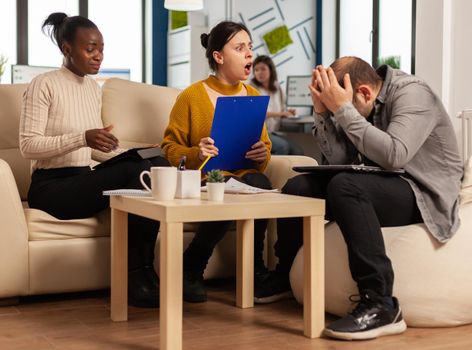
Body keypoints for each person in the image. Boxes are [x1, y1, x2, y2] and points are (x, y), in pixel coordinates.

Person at [256, 56, 464, 340]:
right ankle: (283, 276)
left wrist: (341, 109)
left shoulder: (413, 94)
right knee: (299, 187)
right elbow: (340, 157)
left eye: (347, 104)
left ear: (365, 92)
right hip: (383, 182)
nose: (343, 113)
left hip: (422, 190)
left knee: (345, 186)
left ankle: (382, 302)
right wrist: (322, 112)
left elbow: (394, 155)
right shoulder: (361, 100)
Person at [19, 12, 169, 308]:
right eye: (90, 49)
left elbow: (95, 150)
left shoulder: (91, 88)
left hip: (82, 178)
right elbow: (27, 146)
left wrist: (130, 152)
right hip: (50, 188)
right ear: (66, 49)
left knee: (151, 165)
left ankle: (145, 270)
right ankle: (135, 276)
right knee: (139, 170)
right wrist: (81, 137)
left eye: (101, 48)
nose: (98, 56)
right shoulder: (43, 84)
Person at [161, 21, 273, 303]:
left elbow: (265, 144)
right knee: (220, 184)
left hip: (244, 174)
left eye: (250, 47)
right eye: (239, 48)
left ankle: (255, 269)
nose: (249, 54)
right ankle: (192, 266)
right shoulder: (191, 96)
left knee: (261, 182)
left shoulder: (253, 96)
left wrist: (263, 153)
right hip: (209, 177)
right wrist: (196, 152)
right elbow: (169, 146)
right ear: (218, 57)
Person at [250, 55, 303, 155]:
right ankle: (272, 170)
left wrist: (288, 112)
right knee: (283, 146)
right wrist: (281, 114)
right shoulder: (251, 88)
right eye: (256, 70)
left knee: (298, 151)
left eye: (263, 69)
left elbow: (282, 108)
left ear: (271, 70)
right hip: (259, 134)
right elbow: (258, 114)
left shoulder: (277, 87)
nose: (259, 73)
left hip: (274, 132)